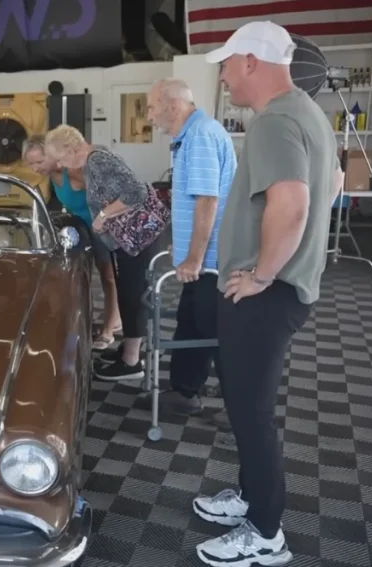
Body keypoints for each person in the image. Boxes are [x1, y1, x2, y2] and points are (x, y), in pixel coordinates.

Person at [193, 21, 342, 567]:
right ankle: (252, 497)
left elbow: (296, 206)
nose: (226, 77)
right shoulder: (306, 112)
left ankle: (265, 532)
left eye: (228, 65)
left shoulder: (273, 121)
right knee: (242, 398)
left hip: (266, 292)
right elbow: (333, 186)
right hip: (282, 288)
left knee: (249, 409)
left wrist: (260, 273)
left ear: (252, 62)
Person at [44, 125, 168, 381]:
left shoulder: (97, 160)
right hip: (129, 238)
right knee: (127, 291)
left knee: (133, 294)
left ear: (70, 149)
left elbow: (137, 191)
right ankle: (128, 350)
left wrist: (103, 215)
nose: (60, 163)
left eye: (60, 157)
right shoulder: (96, 158)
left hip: (138, 237)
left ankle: (131, 363)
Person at [146, 78, 236, 428]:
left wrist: (194, 257)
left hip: (211, 262)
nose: (150, 116)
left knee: (216, 332)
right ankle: (184, 391)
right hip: (202, 257)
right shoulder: (193, 135)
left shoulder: (199, 136)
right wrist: (183, 246)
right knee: (192, 324)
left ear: (173, 105)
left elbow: (208, 200)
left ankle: (239, 407)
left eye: (153, 107)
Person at [22, 134, 123, 349]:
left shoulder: (74, 172)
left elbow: (111, 196)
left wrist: (104, 222)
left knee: (109, 276)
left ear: (51, 155)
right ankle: (90, 320)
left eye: (39, 162)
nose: (35, 168)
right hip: (84, 226)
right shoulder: (52, 175)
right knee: (79, 271)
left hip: (102, 226)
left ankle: (110, 327)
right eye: (31, 164)